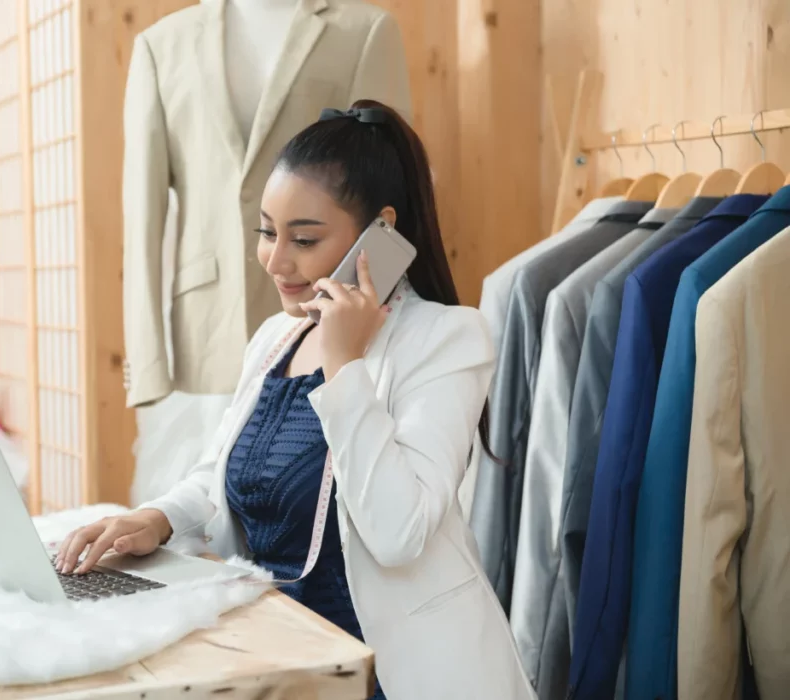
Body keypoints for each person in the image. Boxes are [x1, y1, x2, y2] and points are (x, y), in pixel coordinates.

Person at [55, 100, 534, 699]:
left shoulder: (448, 338)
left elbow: (397, 533)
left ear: (379, 232)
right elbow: (219, 478)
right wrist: (154, 519)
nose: (276, 262)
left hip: (392, 674)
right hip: (280, 653)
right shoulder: (275, 338)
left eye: (304, 239)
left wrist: (345, 364)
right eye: (266, 232)